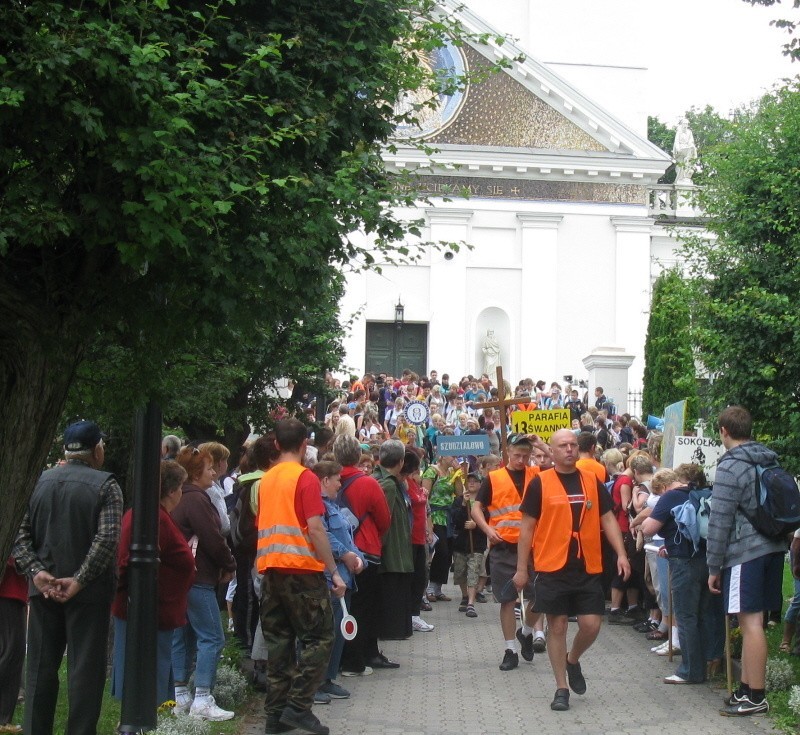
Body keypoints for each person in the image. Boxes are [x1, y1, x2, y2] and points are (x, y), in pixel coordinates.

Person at [13, 420, 123, 735]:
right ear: (97, 450)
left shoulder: (38, 482)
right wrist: (79, 580)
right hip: (89, 595)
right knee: (85, 672)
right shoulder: (106, 485)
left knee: (39, 669)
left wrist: (37, 572)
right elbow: (106, 540)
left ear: (66, 449)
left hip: (43, 590)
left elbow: (19, 535)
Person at [513, 429, 630, 712]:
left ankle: (573, 659)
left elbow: (608, 519)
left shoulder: (592, 479)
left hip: (587, 563)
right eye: (563, 445)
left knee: (591, 625)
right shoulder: (540, 483)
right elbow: (526, 528)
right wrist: (521, 569)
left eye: (573, 445)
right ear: (552, 451)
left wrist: (622, 554)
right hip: (552, 565)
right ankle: (560, 687)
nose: (569, 449)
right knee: (558, 625)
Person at [257, 418, 346, 735]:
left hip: (271, 569)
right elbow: (316, 528)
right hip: (303, 570)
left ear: (277, 445)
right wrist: (334, 572)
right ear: (305, 444)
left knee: (279, 645)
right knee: (320, 638)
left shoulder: (267, 480)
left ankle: (275, 716)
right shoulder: (305, 479)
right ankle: (298, 708)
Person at [707, 406, 789, 716]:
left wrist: (714, 567)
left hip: (745, 552)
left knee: (750, 623)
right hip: (772, 548)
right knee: (753, 621)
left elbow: (720, 519)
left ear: (724, 431)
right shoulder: (767, 458)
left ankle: (756, 697)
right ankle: (745, 689)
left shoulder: (731, 466)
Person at [111, 460, 195, 707]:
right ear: (171, 490)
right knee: (143, 673)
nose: (182, 492)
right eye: (181, 486)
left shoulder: (157, 516)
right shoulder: (152, 518)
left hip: (158, 609)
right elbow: (126, 562)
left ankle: (144, 719)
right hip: (146, 610)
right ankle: (136, 723)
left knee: (154, 670)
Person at [171, 446, 236, 721]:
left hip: (181, 579)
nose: (214, 472)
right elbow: (212, 537)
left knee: (182, 637)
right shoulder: (197, 499)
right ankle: (202, 698)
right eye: (209, 468)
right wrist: (229, 563)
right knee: (212, 636)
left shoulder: (179, 498)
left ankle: (180, 694)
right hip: (199, 577)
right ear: (196, 473)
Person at [471, 433, 544, 671]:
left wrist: (540, 443)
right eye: (516, 455)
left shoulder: (537, 475)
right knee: (507, 599)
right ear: (508, 453)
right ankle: (510, 649)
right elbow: (476, 509)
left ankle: (526, 631)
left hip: (534, 546)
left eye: (525, 455)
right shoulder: (494, 478)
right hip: (503, 546)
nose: (521, 460)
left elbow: (561, 462)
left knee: (541, 597)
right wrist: (487, 530)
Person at [334, 435, 392, 678]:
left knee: (343, 608)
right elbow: (384, 519)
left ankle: (342, 658)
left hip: (336, 552)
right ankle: (359, 658)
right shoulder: (368, 483)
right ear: (359, 456)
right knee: (366, 608)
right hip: (366, 552)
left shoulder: (328, 480)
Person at [313, 461, 365, 703]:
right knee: (325, 633)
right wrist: (346, 554)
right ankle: (316, 684)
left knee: (337, 633)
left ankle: (328, 679)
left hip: (346, 578)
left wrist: (358, 558)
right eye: (336, 480)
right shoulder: (318, 509)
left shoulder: (335, 507)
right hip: (329, 579)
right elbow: (322, 537)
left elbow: (348, 537)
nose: (340, 484)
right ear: (324, 480)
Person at [373, 440, 415, 645]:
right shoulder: (387, 484)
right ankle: (391, 630)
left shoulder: (389, 481)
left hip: (396, 552)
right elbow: (384, 520)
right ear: (400, 462)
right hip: (391, 553)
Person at [0, 556, 27, 733]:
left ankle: (3, 718)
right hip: (8, 590)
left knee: (10, 653)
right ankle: (2, 718)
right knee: (11, 653)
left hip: (12, 590)